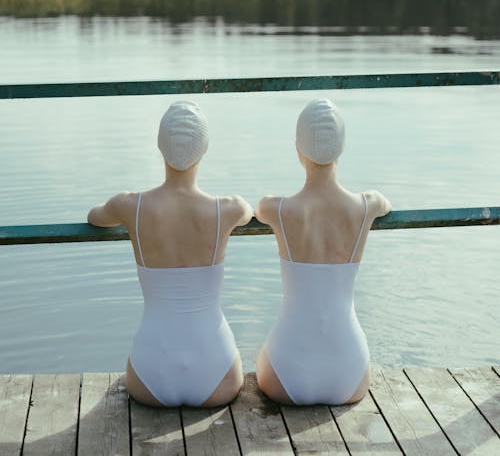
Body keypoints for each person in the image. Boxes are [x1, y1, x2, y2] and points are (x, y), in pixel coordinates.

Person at [87, 99, 253, 407]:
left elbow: (95, 217)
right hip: (217, 371)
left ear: (160, 147)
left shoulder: (129, 205)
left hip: (151, 373)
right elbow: (248, 211)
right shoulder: (228, 209)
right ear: (205, 149)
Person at [255, 98, 392, 406]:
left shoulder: (278, 209)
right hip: (350, 372)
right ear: (341, 148)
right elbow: (383, 202)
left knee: (259, 356)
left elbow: (259, 206)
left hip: (285, 372)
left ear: (298, 150)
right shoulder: (366, 205)